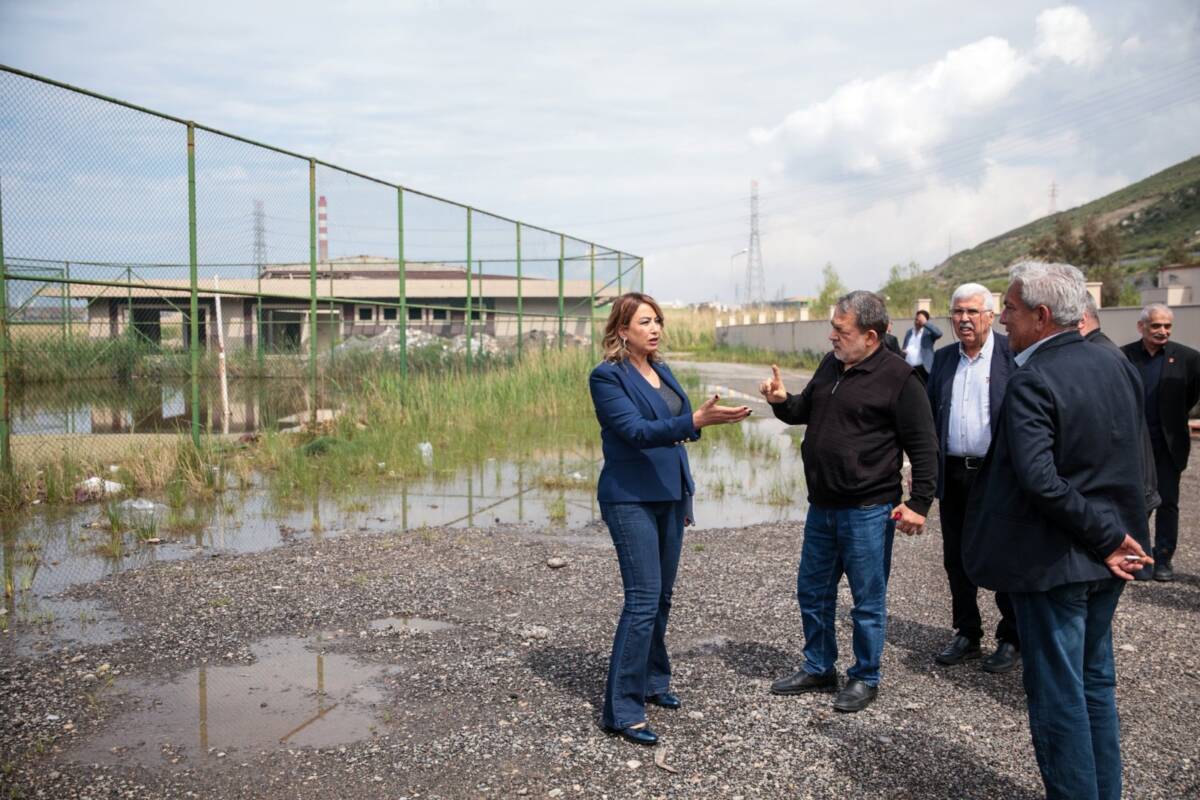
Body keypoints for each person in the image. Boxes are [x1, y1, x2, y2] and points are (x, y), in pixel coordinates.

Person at [964, 261, 1152, 800]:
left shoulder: (1033, 378)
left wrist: (1107, 538)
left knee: (1059, 697)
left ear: (1042, 316)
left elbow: (1041, 481)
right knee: (1094, 684)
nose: (1003, 319)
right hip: (1110, 557)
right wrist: (1119, 535)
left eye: (1011, 309)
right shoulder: (1113, 361)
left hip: (1058, 563)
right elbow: (1135, 463)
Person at [760, 290, 938, 713]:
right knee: (813, 592)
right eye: (832, 329)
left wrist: (919, 503)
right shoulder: (831, 364)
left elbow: (925, 447)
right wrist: (780, 400)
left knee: (867, 601)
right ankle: (819, 666)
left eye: (841, 330)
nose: (832, 337)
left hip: (868, 511)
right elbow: (803, 409)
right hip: (822, 506)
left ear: (870, 337)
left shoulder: (901, 379)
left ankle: (864, 676)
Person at [589, 292, 750, 745]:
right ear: (622, 330)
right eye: (644, 321)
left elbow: (676, 425)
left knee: (661, 598)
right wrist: (695, 420)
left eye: (657, 320)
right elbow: (637, 432)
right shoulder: (607, 376)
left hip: (670, 494)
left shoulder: (661, 369)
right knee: (642, 600)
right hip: (630, 499)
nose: (655, 328)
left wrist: (703, 422)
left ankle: (653, 681)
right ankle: (622, 711)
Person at [926, 283, 1020, 673]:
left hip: (996, 474)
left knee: (1004, 555)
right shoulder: (943, 359)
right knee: (956, 557)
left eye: (972, 312)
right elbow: (931, 415)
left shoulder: (1012, 355)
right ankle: (967, 632)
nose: (964, 319)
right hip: (953, 473)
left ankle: (1011, 636)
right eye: (958, 312)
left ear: (990, 316)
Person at [1080, 295, 1161, 579]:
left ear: (1079, 318)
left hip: (1117, 495)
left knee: (1101, 584)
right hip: (1126, 489)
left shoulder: (1098, 358)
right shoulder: (1107, 352)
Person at [1120, 303, 1200, 582]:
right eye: (1156, 325)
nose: (1162, 331)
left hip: (1169, 446)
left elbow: (1190, 397)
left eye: (1167, 326)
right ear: (1141, 327)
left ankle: (1163, 558)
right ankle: (1134, 557)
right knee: (1134, 503)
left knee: (1167, 503)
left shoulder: (1189, 359)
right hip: (1133, 445)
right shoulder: (1124, 356)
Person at [902, 309, 942, 380]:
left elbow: (939, 333)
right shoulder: (909, 332)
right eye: (916, 319)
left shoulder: (928, 333)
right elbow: (904, 346)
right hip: (910, 368)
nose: (917, 321)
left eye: (920, 320)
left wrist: (925, 323)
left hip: (924, 368)